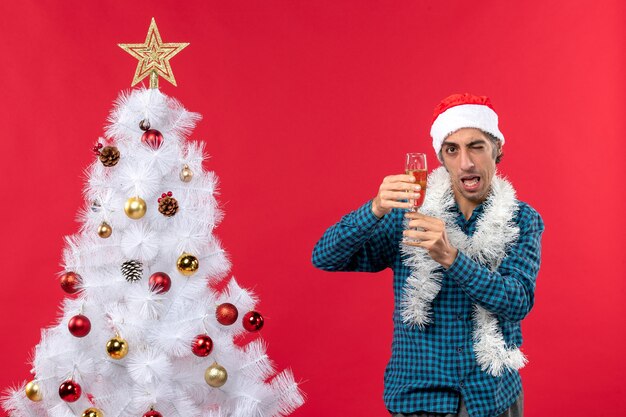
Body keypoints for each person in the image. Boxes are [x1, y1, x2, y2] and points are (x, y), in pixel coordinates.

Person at [312, 93, 544, 417]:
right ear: (441, 158)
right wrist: (375, 208)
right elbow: (325, 256)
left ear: (497, 150)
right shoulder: (408, 216)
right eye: (452, 149)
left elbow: (517, 301)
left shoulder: (522, 219)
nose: (466, 162)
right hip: (420, 400)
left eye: (476, 146)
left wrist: (451, 258)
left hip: (492, 398)